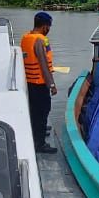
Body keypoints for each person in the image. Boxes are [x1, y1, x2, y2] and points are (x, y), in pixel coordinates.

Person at [21, 11, 59, 154]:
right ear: (45, 27)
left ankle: (39, 132)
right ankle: (40, 143)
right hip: (39, 83)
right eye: (49, 27)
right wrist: (52, 85)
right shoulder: (41, 40)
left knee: (34, 111)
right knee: (43, 111)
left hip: (29, 82)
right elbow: (44, 65)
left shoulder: (26, 37)